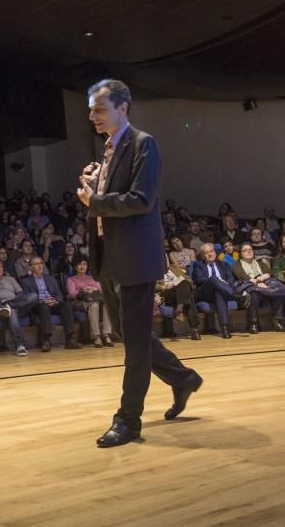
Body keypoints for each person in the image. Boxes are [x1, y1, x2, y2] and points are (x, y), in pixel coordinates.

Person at [76, 79, 202, 448]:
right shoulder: (108, 150)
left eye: (99, 109)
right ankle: (182, 378)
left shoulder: (144, 144)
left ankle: (128, 421)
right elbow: (112, 197)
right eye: (91, 109)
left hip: (135, 256)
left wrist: (94, 201)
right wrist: (94, 185)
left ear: (123, 108)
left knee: (133, 345)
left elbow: (141, 199)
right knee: (129, 337)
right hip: (109, 256)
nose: (92, 116)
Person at [0, 258, 38, 355]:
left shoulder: (10, 279)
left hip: (15, 304)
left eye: (0, 267)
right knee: (12, 311)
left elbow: (20, 293)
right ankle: (20, 345)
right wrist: (0, 301)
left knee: (33, 296)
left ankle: (9, 306)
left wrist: (11, 302)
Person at [20, 256, 81, 352]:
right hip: (38, 305)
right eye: (36, 264)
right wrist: (42, 301)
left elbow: (59, 294)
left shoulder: (50, 278)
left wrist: (55, 300)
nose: (39, 266)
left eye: (41, 263)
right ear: (30, 267)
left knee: (66, 305)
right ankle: (46, 340)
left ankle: (70, 339)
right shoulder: (26, 281)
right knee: (44, 307)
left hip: (53, 303)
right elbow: (27, 299)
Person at [233, 243, 285, 333]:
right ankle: (253, 323)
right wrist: (256, 282)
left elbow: (269, 272)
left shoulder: (260, 262)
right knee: (254, 293)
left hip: (265, 285)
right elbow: (242, 276)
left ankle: (277, 320)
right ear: (241, 254)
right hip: (248, 286)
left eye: (250, 250)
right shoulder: (237, 265)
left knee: (280, 291)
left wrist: (263, 278)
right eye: (245, 250)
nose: (248, 251)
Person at [191, 243, 237, 339]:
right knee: (213, 279)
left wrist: (222, 284)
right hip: (205, 293)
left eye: (211, 251)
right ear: (203, 256)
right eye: (206, 253)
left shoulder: (224, 264)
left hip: (221, 292)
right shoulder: (198, 265)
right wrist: (215, 281)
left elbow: (231, 279)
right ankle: (233, 293)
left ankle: (224, 328)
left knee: (219, 292)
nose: (210, 254)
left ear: (215, 253)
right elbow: (198, 280)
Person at [66, 255, 114, 347]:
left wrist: (93, 288)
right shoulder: (71, 279)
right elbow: (72, 293)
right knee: (94, 305)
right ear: (75, 267)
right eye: (79, 264)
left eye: (84, 264)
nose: (82, 266)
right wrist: (83, 290)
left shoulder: (92, 278)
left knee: (107, 305)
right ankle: (96, 337)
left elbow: (101, 290)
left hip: (95, 299)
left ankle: (106, 335)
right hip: (79, 302)